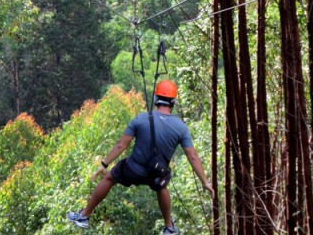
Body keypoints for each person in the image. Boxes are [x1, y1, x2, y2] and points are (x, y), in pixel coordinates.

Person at [67, 80, 215, 234]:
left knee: (109, 178)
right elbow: (192, 156)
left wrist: (104, 165)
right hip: (156, 174)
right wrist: (204, 181)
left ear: (156, 98)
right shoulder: (181, 128)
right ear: (173, 102)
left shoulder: (141, 119)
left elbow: (121, 145)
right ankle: (169, 227)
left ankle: (84, 216)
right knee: (162, 187)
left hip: (133, 169)